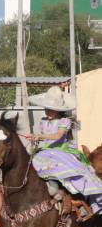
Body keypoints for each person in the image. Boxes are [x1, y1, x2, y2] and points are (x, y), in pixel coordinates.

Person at [26, 85, 102, 218]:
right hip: (45, 151)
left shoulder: (64, 121)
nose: (47, 111)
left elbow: (58, 136)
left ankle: (79, 201)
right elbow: (45, 139)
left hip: (61, 152)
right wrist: (34, 140)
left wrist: (39, 136)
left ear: (58, 110)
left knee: (73, 174)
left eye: (51, 109)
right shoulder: (43, 121)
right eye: (46, 108)